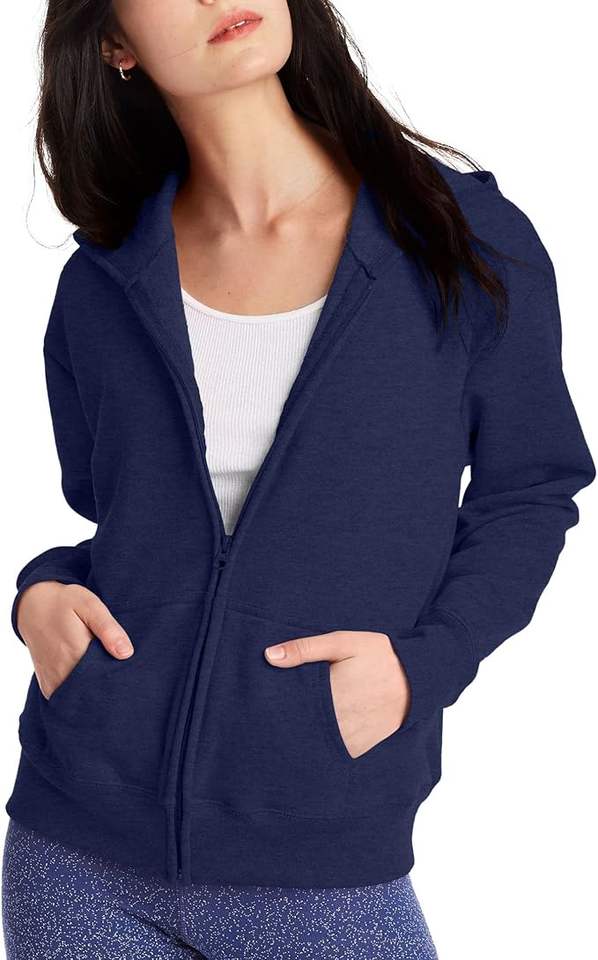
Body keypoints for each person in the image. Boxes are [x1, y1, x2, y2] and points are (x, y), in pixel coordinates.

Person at [2, 1, 595, 957]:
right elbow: (124, 523)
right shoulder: (103, 280)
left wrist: (422, 668)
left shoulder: (458, 235)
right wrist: (41, 593)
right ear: (113, 42)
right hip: (75, 853)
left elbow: (528, 492)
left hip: (321, 848)